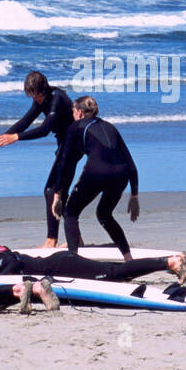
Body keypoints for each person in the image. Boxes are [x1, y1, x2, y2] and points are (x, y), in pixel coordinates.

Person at [0, 70, 74, 248]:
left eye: (37, 95)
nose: (36, 100)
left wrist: (16, 138)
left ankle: (52, 240)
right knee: (58, 191)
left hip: (73, 145)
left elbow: (44, 130)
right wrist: (1, 138)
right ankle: (75, 238)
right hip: (64, 145)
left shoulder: (57, 98)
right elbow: (25, 121)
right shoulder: (41, 99)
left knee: (52, 190)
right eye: (31, 96)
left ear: (44, 89)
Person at [50, 95, 139, 259]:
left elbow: (63, 161)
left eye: (73, 111)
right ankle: (128, 258)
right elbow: (130, 163)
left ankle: (73, 259)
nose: (73, 115)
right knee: (105, 214)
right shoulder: (110, 126)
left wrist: (57, 194)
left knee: (70, 212)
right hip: (121, 174)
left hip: (97, 172)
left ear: (79, 112)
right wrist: (134, 195)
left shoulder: (75, 126)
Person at [0, 237, 186, 288]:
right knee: (118, 275)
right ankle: (169, 262)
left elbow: (10, 262)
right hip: (58, 262)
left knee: (114, 273)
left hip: (61, 267)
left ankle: (171, 262)